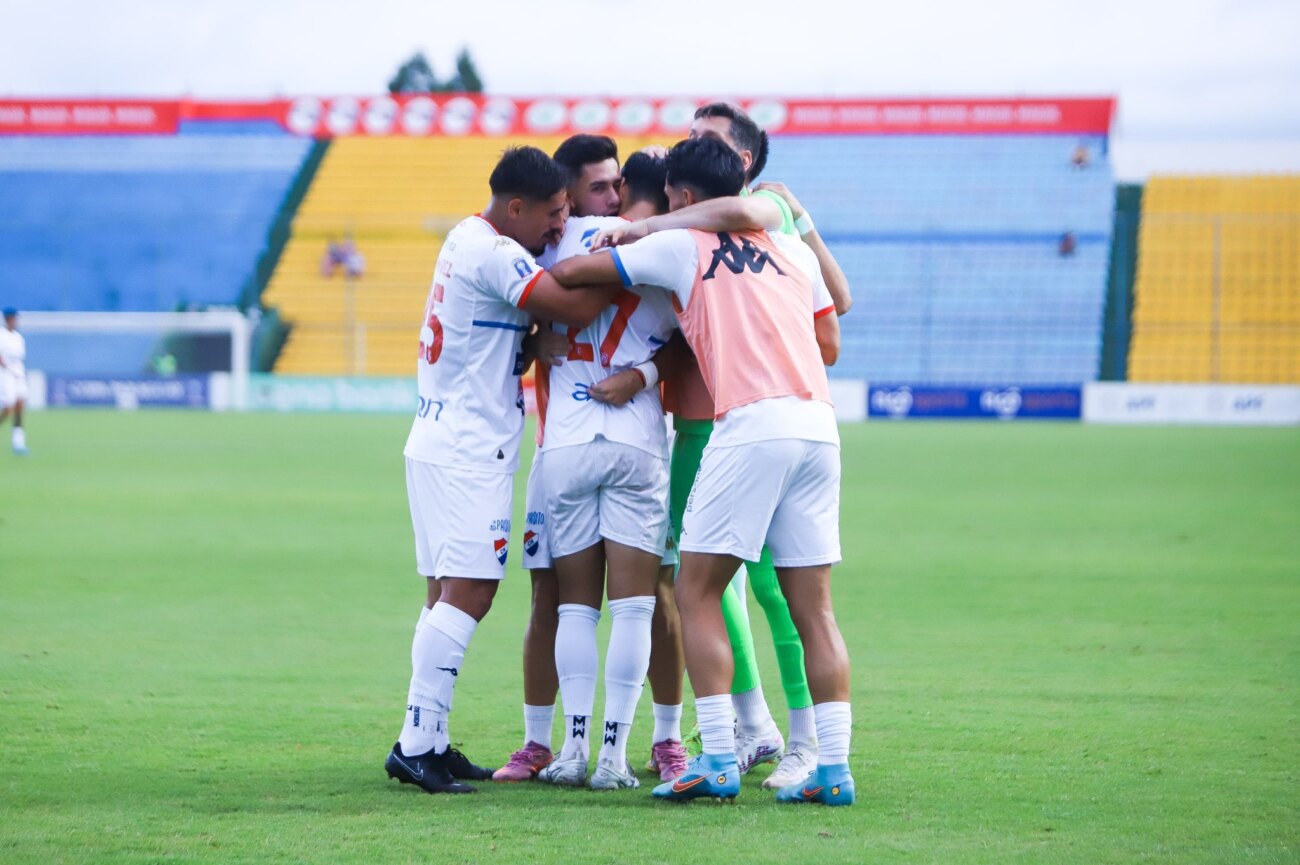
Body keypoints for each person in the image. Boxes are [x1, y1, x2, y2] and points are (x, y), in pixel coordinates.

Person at [551, 137, 855, 806]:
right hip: (818, 425)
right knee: (815, 608)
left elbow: (577, 275)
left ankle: (718, 755)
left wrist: (611, 236)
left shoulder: (678, 247)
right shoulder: (791, 247)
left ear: (683, 197)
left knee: (695, 590)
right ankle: (833, 768)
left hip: (750, 424)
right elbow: (833, 318)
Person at [384, 146, 620, 795]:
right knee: (472, 593)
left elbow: (497, 338)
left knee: (441, 597)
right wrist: (630, 257)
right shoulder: (496, 252)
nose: (554, 228)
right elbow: (571, 308)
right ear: (515, 207)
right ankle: (414, 743)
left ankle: (426, 736)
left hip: (436, 435)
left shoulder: (465, 236)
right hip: (467, 449)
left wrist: (524, 343)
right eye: (550, 215)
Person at [495, 137, 691, 784]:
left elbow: (510, 304)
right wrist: (643, 372)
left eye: (615, 185)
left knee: (573, 606)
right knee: (635, 606)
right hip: (636, 442)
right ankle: (614, 754)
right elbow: (693, 342)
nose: (609, 196)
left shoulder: (549, 246)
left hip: (566, 444)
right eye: (598, 185)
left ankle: (572, 749)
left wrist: (536, 333)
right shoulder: (661, 247)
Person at [0, 307, 30, 456]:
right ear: (7, 319)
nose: (15, 321)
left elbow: (20, 358)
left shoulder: (18, 337)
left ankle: (18, 442)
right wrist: (6, 366)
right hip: (6, 375)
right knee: (8, 409)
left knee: (20, 406)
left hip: (18, 373)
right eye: (13, 318)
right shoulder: (1, 335)